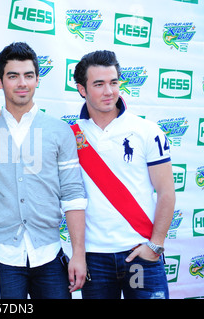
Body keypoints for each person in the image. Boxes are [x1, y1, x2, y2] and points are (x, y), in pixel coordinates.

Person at [0, 42, 87, 299]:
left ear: (37, 79)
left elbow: (72, 194)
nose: (21, 83)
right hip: (0, 256)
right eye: (12, 76)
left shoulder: (60, 131)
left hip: (48, 255)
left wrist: (78, 254)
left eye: (28, 75)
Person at [72, 50, 175, 299]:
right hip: (94, 259)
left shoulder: (147, 130)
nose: (109, 91)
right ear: (82, 89)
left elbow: (166, 192)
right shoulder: (69, 135)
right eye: (99, 84)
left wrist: (155, 244)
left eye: (114, 82)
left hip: (141, 254)